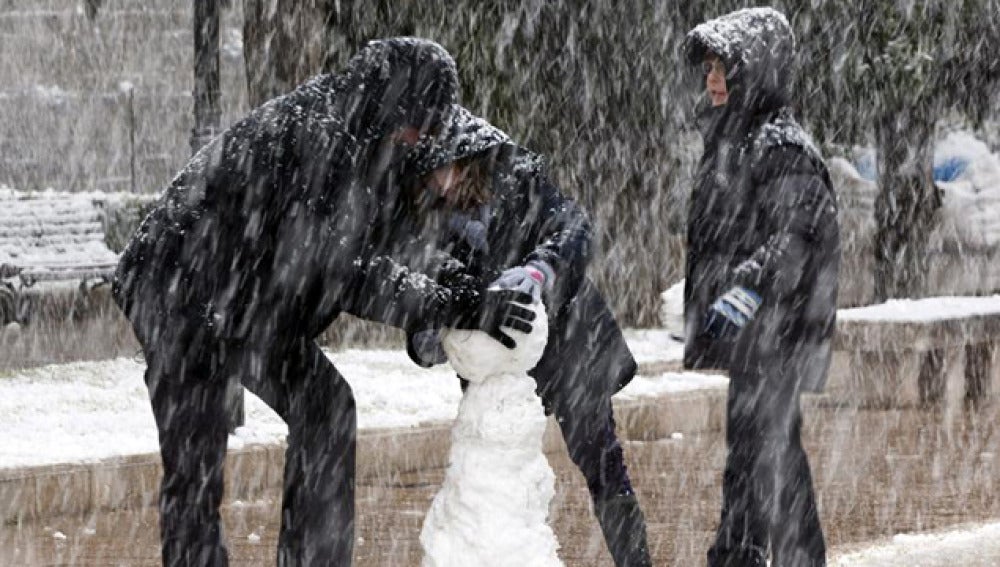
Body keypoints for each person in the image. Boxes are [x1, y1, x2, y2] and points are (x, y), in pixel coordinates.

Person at [112, 38, 530, 566]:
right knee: (197, 448)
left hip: (254, 297)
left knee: (326, 410)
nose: (425, 136)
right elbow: (346, 272)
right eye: (421, 122)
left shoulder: (377, 145)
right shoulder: (321, 135)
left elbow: (392, 246)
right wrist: (445, 305)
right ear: (394, 104)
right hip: (178, 287)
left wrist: (461, 289)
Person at [397, 106, 653, 567]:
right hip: (497, 368)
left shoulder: (516, 178)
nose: (435, 182)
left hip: (571, 345)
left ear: (462, 155)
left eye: (440, 168)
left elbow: (573, 227)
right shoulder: (423, 219)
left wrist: (541, 269)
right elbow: (418, 293)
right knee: (496, 475)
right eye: (426, 172)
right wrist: (433, 332)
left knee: (603, 466)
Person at [681, 8, 840, 567]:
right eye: (709, 68)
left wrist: (749, 286)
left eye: (723, 67)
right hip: (759, 333)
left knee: (772, 457)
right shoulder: (740, 140)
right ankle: (738, 555)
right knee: (752, 454)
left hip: (779, 330)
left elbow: (797, 237)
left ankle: (777, 558)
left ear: (758, 70)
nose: (712, 79)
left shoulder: (779, 145)